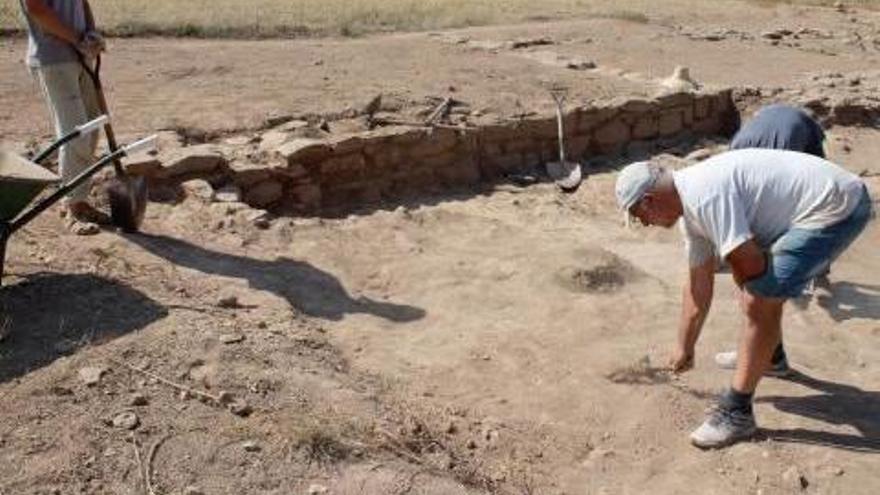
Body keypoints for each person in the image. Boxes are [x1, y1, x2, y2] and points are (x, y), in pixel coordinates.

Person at [615, 148, 872, 448]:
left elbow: (751, 268)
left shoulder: (704, 195)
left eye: (639, 216)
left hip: (836, 207)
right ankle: (771, 358)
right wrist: (684, 347)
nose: (645, 224)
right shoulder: (692, 215)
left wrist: (758, 302)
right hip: (814, 203)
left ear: (648, 201)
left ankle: (737, 413)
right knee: (752, 283)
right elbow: (698, 287)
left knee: (758, 297)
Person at [715, 104, 828, 376]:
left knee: (763, 287)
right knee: (757, 282)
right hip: (782, 164)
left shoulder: (778, 154)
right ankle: (768, 355)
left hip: (797, 176)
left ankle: (768, 357)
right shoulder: (739, 152)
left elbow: (804, 192)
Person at [19, 0, 108, 235]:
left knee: (91, 130)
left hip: (80, 55)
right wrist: (79, 40)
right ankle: (71, 205)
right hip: (53, 58)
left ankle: (80, 199)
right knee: (75, 133)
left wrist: (91, 33)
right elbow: (37, 9)